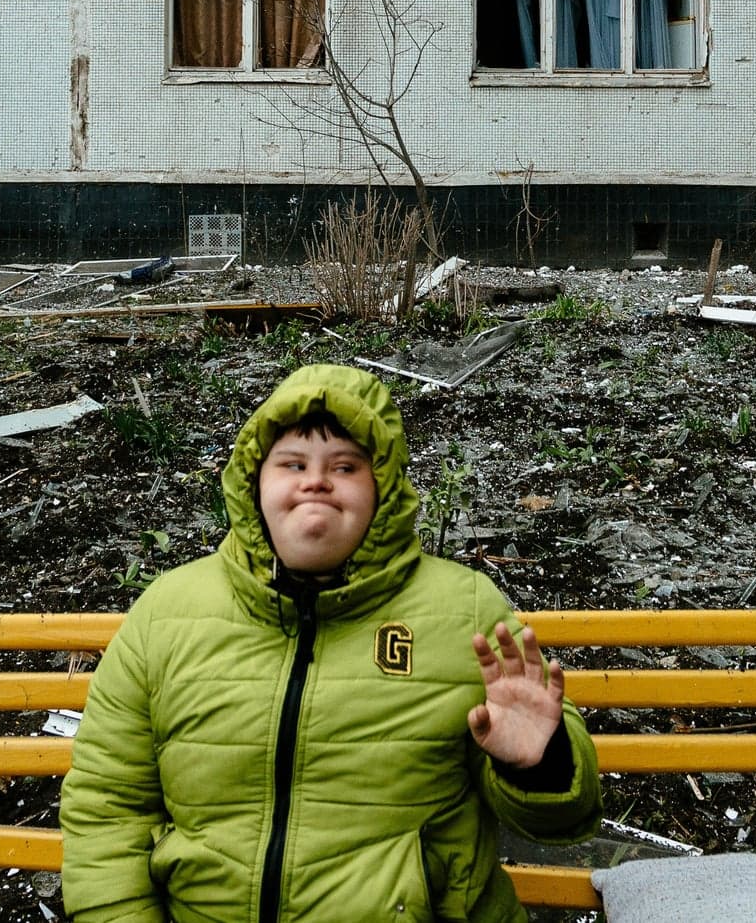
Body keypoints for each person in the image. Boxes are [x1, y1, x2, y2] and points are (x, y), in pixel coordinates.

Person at [62, 364, 602, 922]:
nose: (314, 481)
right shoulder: (167, 613)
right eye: (292, 464)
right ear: (254, 483)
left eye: (344, 466)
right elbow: (108, 808)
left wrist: (537, 764)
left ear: (383, 490)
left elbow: (566, 819)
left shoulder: (465, 610)